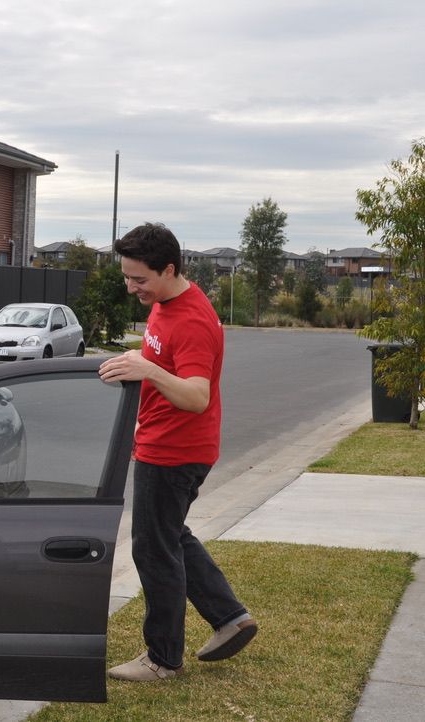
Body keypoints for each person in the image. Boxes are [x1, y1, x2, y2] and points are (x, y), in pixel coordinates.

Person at [98, 223, 256, 682]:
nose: (131, 288)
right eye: (127, 277)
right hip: (160, 440)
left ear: (169, 269)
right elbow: (163, 376)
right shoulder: (167, 303)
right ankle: (230, 618)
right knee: (170, 536)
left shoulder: (192, 319)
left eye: (139, 279)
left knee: (153, 549)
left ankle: (162, 659)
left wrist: (145, 367)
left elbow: (196, 395)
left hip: (175, 452)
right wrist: (140, 416)